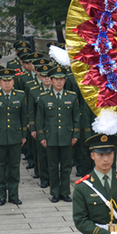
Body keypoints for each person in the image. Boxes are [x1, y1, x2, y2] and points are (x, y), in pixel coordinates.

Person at [36, 66, 80, 203]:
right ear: (52, 80)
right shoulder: (44, 98)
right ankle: (55, 192)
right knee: (53, 166)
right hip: (51, 138)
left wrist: (75, 135)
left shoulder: (71, 97)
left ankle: (65, 191)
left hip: (67, 137)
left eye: (61, 79)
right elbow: (40, 120)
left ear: (65, 81)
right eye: (56, 79)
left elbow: (76, 118)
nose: (59, 82)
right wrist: (42, 137)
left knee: (66, 167)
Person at [0, 68, 28, 206]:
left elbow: (23, 117)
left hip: (15, 136)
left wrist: (23, 135)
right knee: (1, 167)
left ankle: (14, 195)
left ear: (13, 81)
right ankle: (1, 195)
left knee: (14, 167)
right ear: (0, 81)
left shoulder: (20, 96)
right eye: (4, 81)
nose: (7, 84)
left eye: (9, 81)